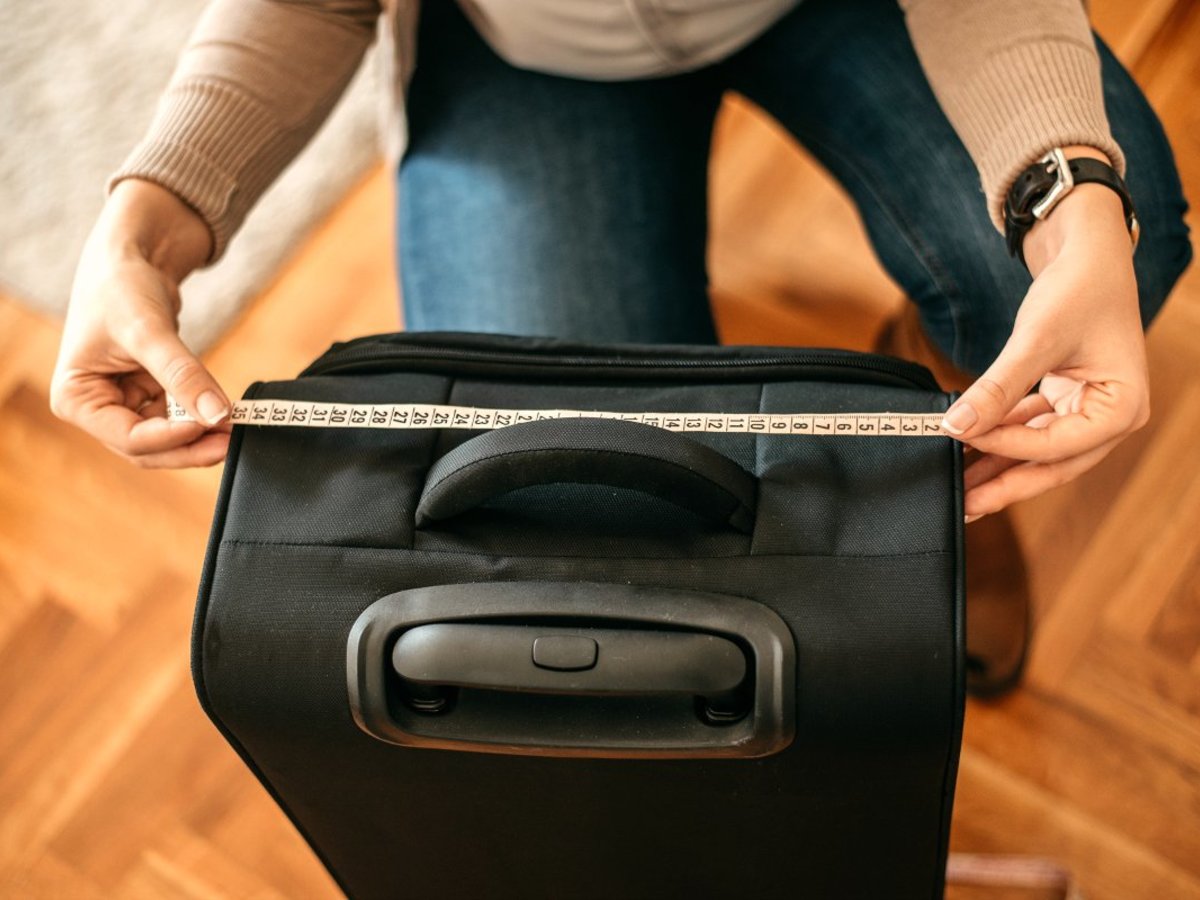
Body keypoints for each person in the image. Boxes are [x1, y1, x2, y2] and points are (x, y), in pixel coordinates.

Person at [50, 0, 1191, 693]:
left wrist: (1072, 193)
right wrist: (141, 230)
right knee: (576, 516)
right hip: (524, 46)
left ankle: (942, 458)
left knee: (1101, 261)